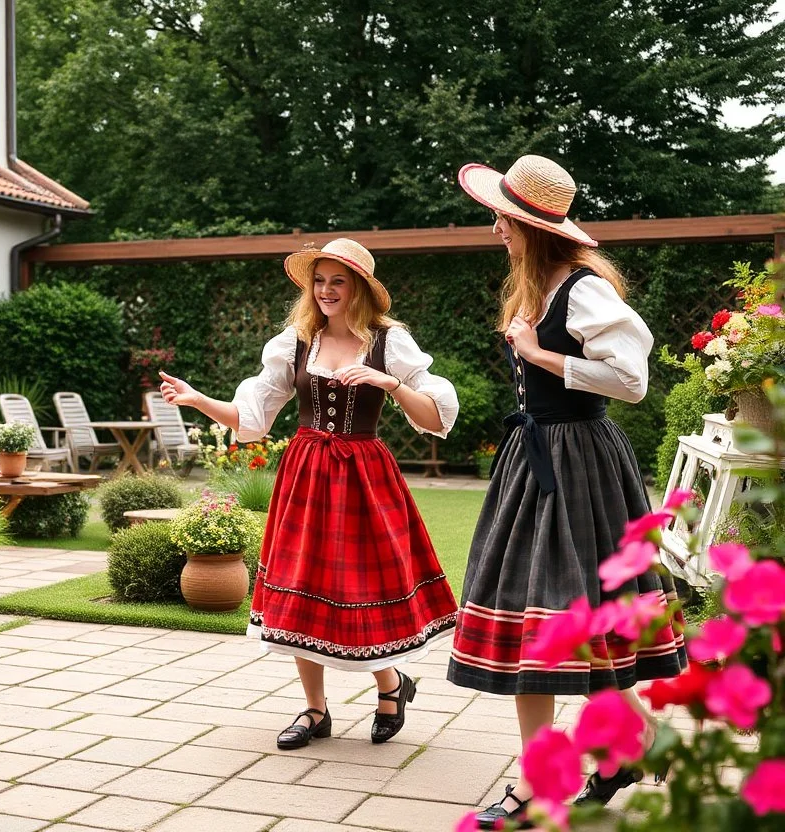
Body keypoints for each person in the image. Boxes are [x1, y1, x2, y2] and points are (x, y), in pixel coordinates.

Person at [446, 156, 687, 829]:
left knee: (542, 631)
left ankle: (534, 791)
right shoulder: (537, 288)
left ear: (532, 228)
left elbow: (631, 381)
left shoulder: (582, 291)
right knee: (558, 624)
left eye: (504, 218)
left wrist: (540, 354)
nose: (495, 227)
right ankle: (633, 745)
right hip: (535, 462)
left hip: (577, 467)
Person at [160, 238, 460, 749]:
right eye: (318, 281)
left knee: (362, 587)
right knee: (301, 586)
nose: (325, 291)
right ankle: (315, 710)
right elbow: (252, 420)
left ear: (359, 288)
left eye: (337, 281)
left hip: (365, 477)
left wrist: (387, 383)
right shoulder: (296, 342)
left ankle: (390, 686)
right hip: (305, 475)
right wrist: (197, 399)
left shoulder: (389, 343)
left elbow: (435, 417)